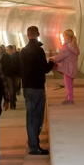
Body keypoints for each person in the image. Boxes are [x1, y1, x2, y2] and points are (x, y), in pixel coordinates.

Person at [20, 26, 54, 155]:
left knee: (30, 117)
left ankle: (32, 143)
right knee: (37, 117)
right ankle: (34, 146)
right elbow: (45, 69)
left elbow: (20, 69)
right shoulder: (39, 51)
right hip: (37, 88)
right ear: (38, 34)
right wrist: (51, 62)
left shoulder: (23, 51)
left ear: (27, 35)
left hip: (27, 87)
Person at [51, 29, 80, 105]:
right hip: (72, 69)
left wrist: (52, 58)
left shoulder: (67, 47)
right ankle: (68, 98)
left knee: (68, 85)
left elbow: (61, 56)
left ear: (67, 36)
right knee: (69, 84)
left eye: (64, 36)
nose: (63, 38)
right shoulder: (74, 46)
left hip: (67, 69)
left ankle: (70, 99)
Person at [1, 45, 21, 110]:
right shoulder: (4, 57)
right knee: (11, 90)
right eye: (7, 50)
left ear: (12, 50)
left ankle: (13, 100)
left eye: (9, 50)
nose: (8, 51)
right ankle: (12, 104)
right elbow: (2, 66)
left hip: (16, 75)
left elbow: (20, 65)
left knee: (14, 88)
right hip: (8, 75)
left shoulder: (16, 56)